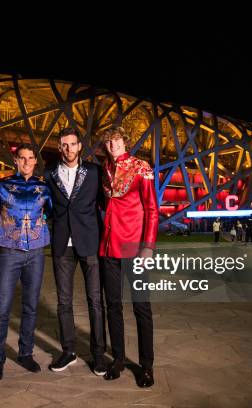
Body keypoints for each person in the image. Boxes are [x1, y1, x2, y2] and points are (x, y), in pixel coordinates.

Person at [0, 143, 53, 382]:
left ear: (36, 161)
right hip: (10, 252)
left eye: (30, 158)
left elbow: (51, 214)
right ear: (15, 160)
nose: (26, 162)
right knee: (1, 308)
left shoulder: (44, 188)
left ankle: (25, 353)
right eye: (22, 158)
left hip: (35, 253)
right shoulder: (2, 186)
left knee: (30, 307)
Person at [99, 125, 158, 388]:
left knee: (141, 307)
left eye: (117, 141)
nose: (113, 146)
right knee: (113, 306)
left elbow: (152, 209)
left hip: (134, 247)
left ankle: (146, 366)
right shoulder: (105, 168)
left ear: (126, 141)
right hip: (109, 247)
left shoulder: (141, 167)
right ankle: (119, 359)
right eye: (109, 142)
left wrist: (148, 246)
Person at [44, 127, 107, 376]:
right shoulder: (49, 173)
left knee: (95, 301)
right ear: (59, 148)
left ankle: (98, 355)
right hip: (62, 245)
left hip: (90, 243)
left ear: (80, 146)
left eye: (72, 144)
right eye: (64, 145)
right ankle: (68, 351)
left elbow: (105, 203)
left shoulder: (94, 172)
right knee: (63, 302)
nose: (68, 148)